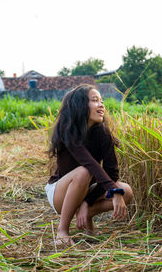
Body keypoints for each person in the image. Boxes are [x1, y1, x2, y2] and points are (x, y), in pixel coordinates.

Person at [45, 84, 133, 245]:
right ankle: (62, 231)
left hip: (86, 189)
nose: (101, 105)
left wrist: (88, 202)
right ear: (80, 106)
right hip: (60, 193)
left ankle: (86, 213)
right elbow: (91, 165)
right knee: (84, 172)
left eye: (101, 101)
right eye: (95, 100)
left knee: (126, 191)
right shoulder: (68, 131)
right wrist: (114, 191)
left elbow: (111, 173)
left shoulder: (103, 133)